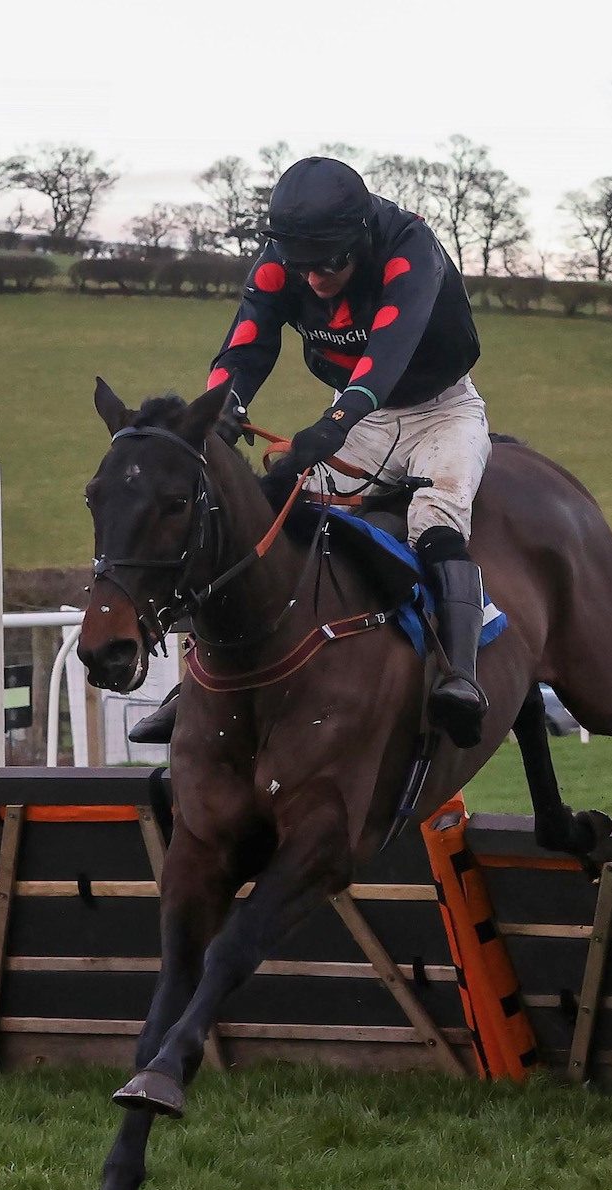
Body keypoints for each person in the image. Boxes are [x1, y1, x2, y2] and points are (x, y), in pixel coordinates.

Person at [129, 156, 492, 747]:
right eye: (303, 268)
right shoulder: (283, 263)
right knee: (261, 513)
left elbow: (389, 350)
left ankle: (461, 679)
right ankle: (196, 680)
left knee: (435, 519)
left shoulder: (411, 248)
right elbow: (247, 341)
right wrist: (222, 409)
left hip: (440, 412)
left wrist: (332, 425)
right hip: (359, 414)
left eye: (331, 264)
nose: (316, 280)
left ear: (362, 238)